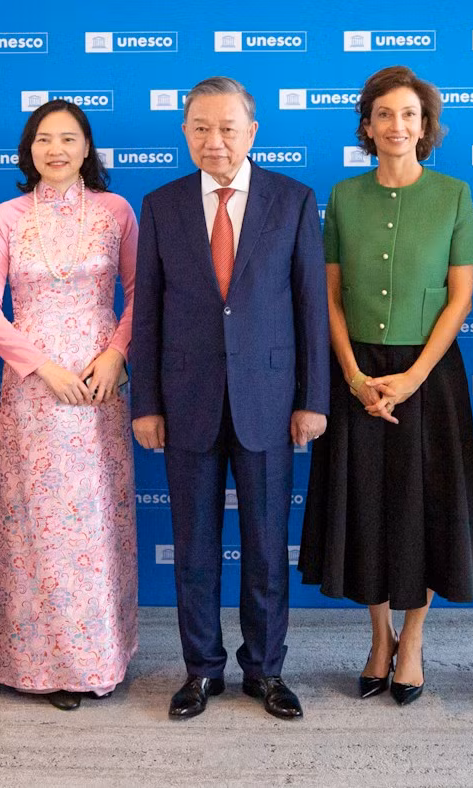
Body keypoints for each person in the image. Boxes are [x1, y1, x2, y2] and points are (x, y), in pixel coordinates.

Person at [130, 76, 329, 721]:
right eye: (200, 128)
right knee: (193, 546)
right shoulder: (159, 205)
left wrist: (312, 399)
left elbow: (309, 310)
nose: (213, 141)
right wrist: (146, 404)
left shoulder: (293, 200)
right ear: (184, 132)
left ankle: (266, 671)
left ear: (252, 132)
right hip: (186, 399)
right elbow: (149, 313)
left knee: (267, 546)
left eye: (227, 129)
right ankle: (201, 670)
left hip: (269, 401)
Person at [297, 66, 473, 707]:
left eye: (409, 114)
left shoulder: (455, 195)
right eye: (384, 114)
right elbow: (327, 297)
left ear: (426, 125)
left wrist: (410, 378)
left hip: (426, 376)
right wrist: (353, 377)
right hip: (355, 373)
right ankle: (378, 638)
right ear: (367, 126)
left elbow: (461, 297)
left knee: (423, 511)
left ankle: (412, 642)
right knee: (368, 507)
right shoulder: (343, 197)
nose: (396, 126)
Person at [0, 101, 138, 712]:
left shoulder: (115, 213)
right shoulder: (7, 217)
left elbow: (141, 293)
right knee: (38, 525)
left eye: (70, 139)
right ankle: (38, 663)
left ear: (88, 148)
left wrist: (116, 355)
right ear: (29, 149)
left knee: (94, 522)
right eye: (45, 139)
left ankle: (99, 655)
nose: (57, 150)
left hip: (98, 388)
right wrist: (40, 367)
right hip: (34, 391)